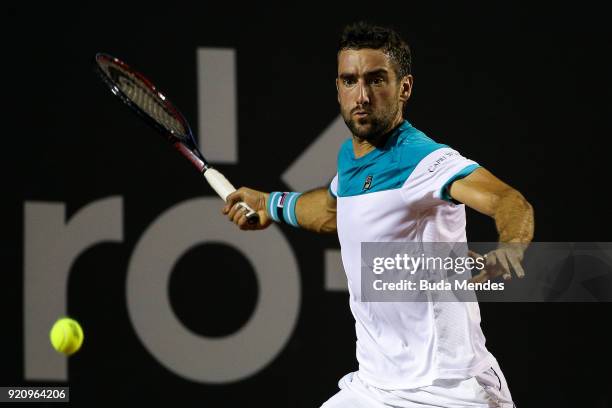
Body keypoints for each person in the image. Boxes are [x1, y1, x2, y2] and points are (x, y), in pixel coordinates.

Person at [222, 22, 534, 408]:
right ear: (338, 88)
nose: (362, 96)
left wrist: (512, 248)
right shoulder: (351, 158)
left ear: (404, 88)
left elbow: (508, 200)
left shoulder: (423, 160)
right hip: (374, 386)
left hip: (449, 389)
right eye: (350, 81)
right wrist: (271, 204)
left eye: (376, 80)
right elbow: (335, 210)